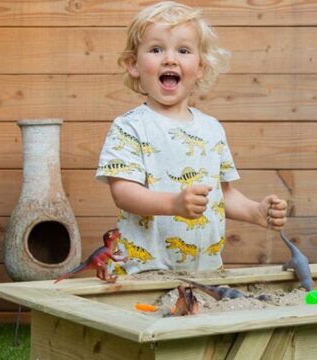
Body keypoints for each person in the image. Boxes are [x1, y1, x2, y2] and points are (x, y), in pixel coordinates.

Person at [95, 1, 288, 274]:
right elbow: (123, 193)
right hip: (143, 271)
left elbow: (223, 194)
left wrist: (255, 211)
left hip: (205, 272)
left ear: (200, 67)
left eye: (183, 50)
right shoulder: (129, 127)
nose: (170, 59)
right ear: (133, 64)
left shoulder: (212, 129)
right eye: (156, 49)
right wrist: (174, 204)